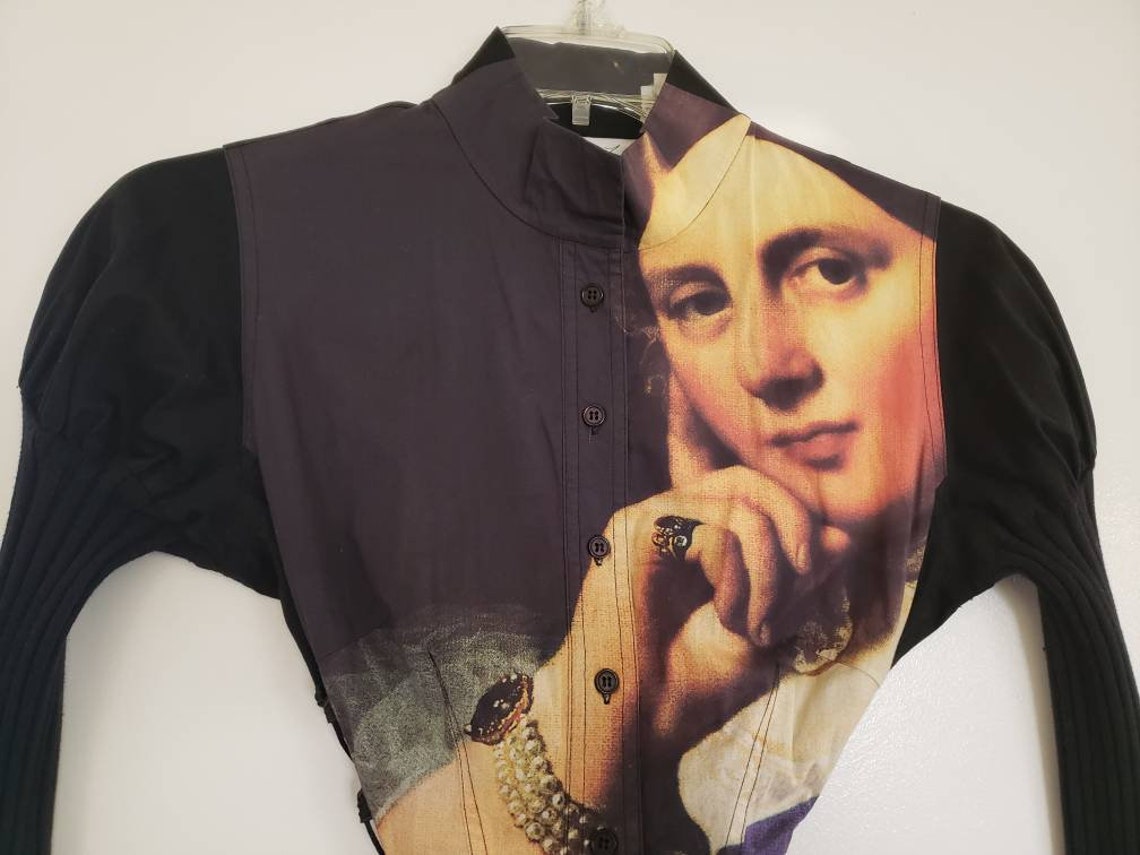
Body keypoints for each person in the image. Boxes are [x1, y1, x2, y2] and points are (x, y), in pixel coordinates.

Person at [370, 115, 945, 855]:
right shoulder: (684, 636)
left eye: (831, 270)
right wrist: (610, 716)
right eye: (700, 301)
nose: (764, 365)